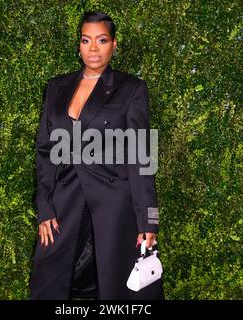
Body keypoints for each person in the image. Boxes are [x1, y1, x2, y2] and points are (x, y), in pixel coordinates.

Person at [30, 11, 164, 300]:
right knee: (48, 280)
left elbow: (141, 155)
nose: (93, 48)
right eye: (86, 40)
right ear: (78, 45)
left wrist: (148, 221)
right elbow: (45, 150)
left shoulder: (131, 89)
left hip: (115, 206)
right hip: (63, 201)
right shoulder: (56, 87)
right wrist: (45, 206)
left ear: (114, 45)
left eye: (101, 40)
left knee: (115, 286)